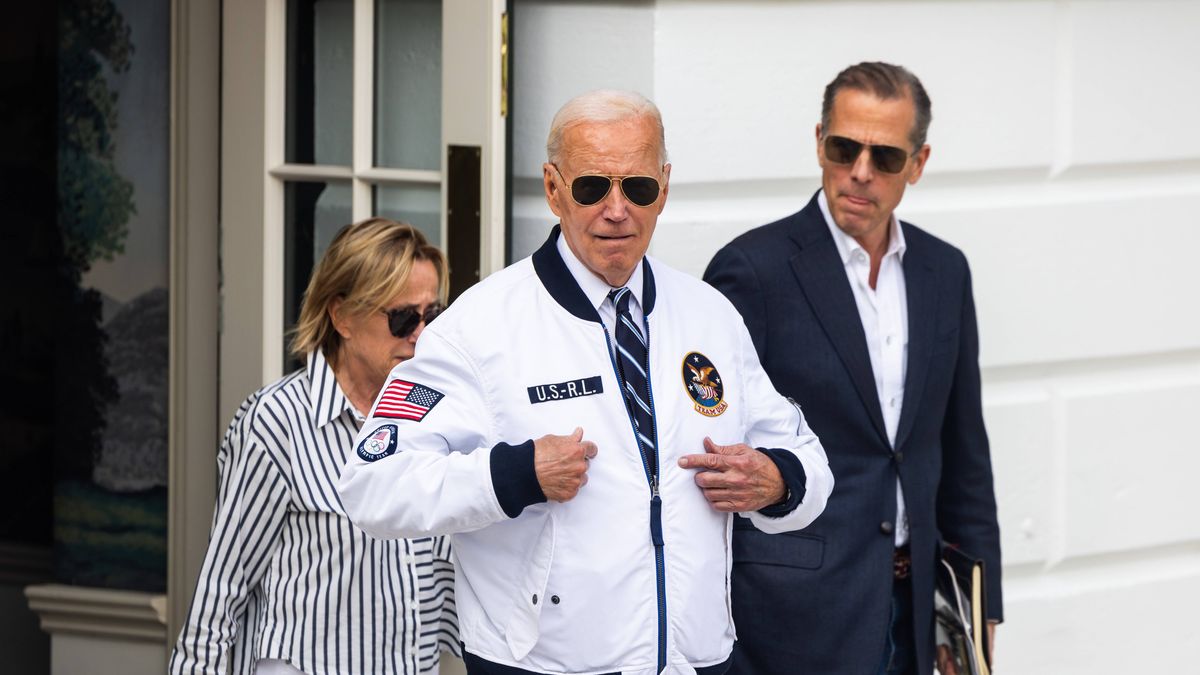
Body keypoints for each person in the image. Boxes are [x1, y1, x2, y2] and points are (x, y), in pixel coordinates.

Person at [337, 90, 834, 675]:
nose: (617, 209)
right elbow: (372, 485)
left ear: (664, 188)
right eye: (592, 187)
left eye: (638, 187)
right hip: (540, 666)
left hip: (695, 661)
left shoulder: (710, 316)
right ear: (553, 189)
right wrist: (515, 474)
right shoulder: (477, 328)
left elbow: (809, 462)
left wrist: (776, 482)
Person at [703, 62, 1003, 675]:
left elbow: (961, 450)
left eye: (885, 157)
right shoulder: (751, 271)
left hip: (913, 609)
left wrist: (976, 608)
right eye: (844, 148)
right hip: (790, 619)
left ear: (917, 164)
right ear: (819, 142)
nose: (860, 172)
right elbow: (709, 450)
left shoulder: (945, 273)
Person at [170, 219, 459, 675]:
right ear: (341, 316)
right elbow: (222, 587)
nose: (420, 334)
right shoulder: (276, 422)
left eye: (433, 315)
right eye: (403, 318)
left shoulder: (438, 419)